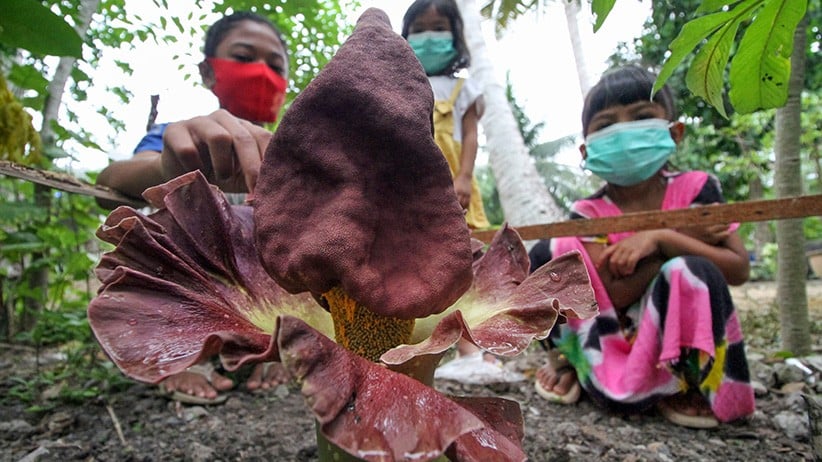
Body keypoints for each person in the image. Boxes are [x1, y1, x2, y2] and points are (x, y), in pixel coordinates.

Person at [529, 65, 756, 428]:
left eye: (642, 116)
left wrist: (661, 238)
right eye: (606, 124)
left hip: (672, 335)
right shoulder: (588, 212)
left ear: (675, 132)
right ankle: (571, 360)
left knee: (691, 271)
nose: (623, 131)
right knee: (548, 253)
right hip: (608, 338)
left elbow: (737, 269)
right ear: (587, 152)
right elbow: (612, 295)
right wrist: (686, 239)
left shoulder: (698, 188)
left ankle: (685, 377)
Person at [96, 11, 291, 404]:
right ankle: (180, 356)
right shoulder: (181, 134)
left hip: (273, 295)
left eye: (274, 65)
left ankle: (283, 345)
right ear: (208, 71)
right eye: (243, 56)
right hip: (197, 290)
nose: (261, 71)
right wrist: (170, 167)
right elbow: (108, 184)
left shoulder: (294, 151)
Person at [401, 0, 490, 231]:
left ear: (455, 35)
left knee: (460, 234)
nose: (429, 37)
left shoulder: (464, 87)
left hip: (453, 180)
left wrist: (465, 178)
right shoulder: (399, 87)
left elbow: (471, 134)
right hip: (409, 178)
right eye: (419, 30)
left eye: (439, 28)